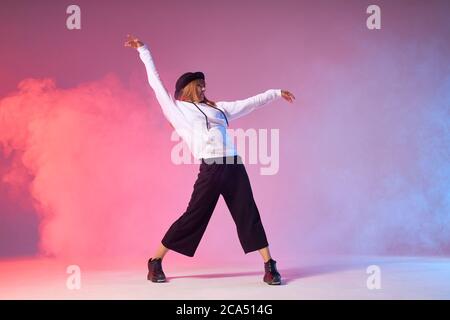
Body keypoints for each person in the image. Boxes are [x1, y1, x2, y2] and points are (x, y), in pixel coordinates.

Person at [124, 34, 295, 285]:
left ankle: (270, 265)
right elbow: (156, 82)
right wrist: (143, 50)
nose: (204, 88)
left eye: (205, 85)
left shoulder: (219, 109)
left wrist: (275, 92)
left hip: (234, 166)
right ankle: (155, 261)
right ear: (188, 88)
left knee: (248, 213)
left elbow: (249, 103)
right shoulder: (177, 109)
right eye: (200, 85)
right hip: (211, 169)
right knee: (194, 216)